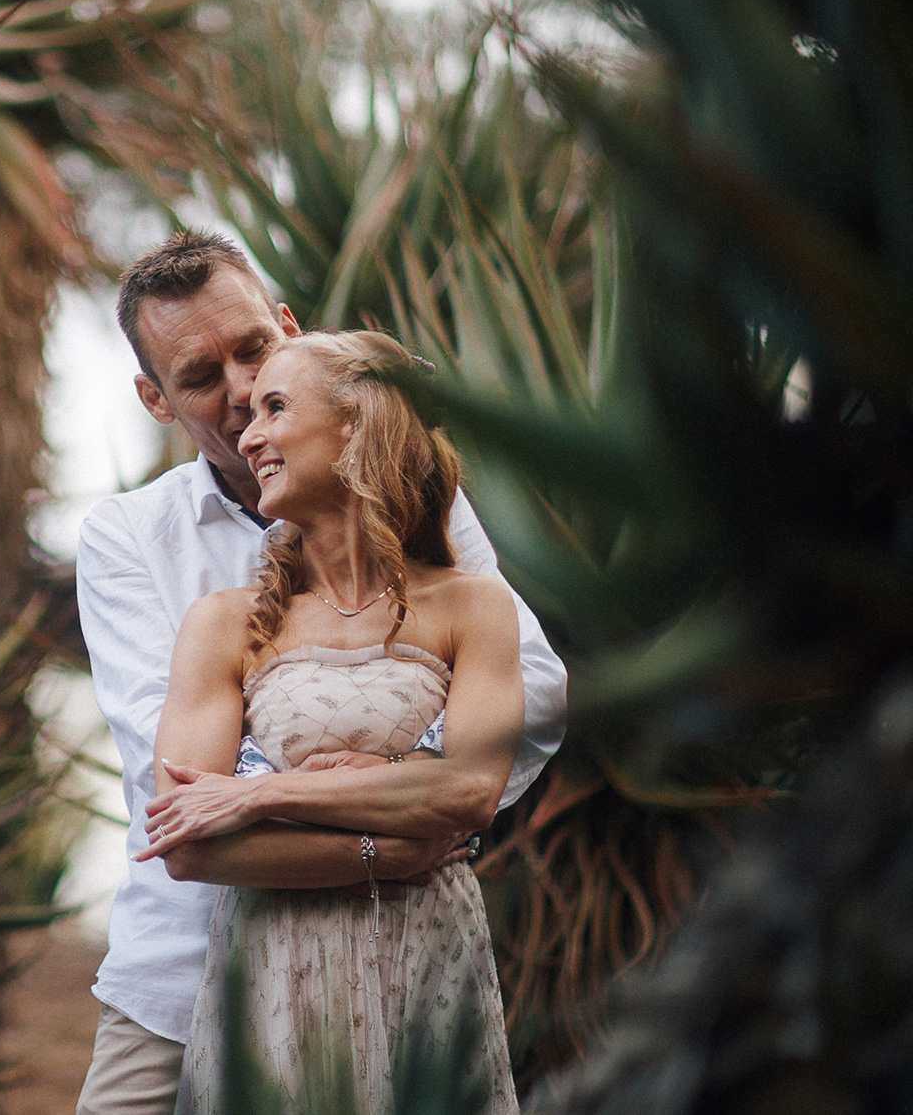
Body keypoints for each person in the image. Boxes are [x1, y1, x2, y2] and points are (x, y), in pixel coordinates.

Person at [74, 233, 565, 1115]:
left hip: (402, 957)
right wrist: (395, 832)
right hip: (184, 971)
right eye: (197, 376)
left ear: (289, 330)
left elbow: (532, 689)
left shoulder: (429, 512)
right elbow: (180, 784)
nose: (235, 394)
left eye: (254, 351)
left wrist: (381, 781)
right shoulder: (129, 540)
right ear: (155, 399)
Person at [142, 329, 521, 1113]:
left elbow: (472, 792)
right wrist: (396, 838)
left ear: (358, 422)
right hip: (277, 968)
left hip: (425, 963)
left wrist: (255, 795)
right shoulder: (224, 623)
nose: (249, 437)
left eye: (274, 407)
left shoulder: (474, 605)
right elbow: (187, 843)